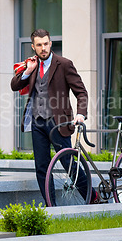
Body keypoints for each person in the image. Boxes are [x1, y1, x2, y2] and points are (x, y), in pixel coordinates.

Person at [11, 28, 100, 205]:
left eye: (46, 44)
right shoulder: (32, 65)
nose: (43, 48)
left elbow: (81, 92)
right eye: (39, 45)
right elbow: (15, 85)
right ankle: (50, 205)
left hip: (59, 122)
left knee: (68, 163)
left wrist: (81, 114)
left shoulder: (64, 64)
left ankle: (92, 198)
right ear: (33, 47)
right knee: (42, 167)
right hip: (38, 123)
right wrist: (28, 70)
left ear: (50, 43)